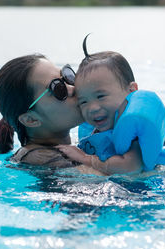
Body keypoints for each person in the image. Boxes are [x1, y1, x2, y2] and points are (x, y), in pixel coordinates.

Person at [0, 54, 104, 175]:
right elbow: (108, 180)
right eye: (58, 88)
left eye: (68, 76)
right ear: (31, 119)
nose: (73, 88)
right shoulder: (39, 158)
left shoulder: (67, 148)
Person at [56, 37, 144, 175]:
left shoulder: (134, 131)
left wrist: (85, 158)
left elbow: (132, 166)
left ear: (131, 91)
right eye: (83, 102)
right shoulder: (94, 129)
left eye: (101, 96)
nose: (92, 108)